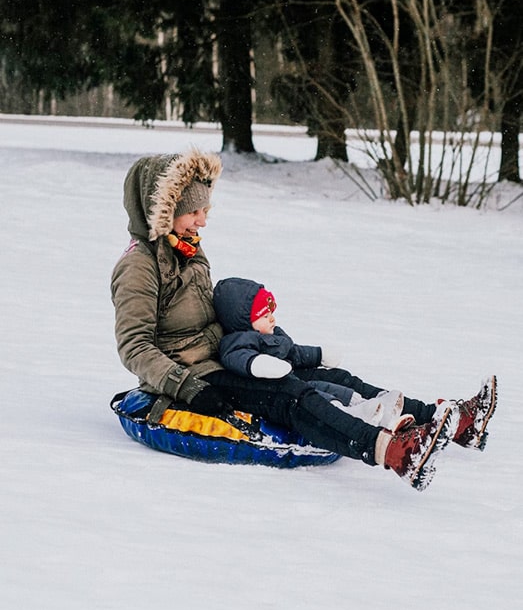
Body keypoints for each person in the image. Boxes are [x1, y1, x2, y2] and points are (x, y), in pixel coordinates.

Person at [110, 149, 497, 491]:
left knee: (334, 378)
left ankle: (449, 422)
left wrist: (256, 332)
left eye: (205, 211)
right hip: (194, 375)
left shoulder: (190, 251)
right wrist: (188, 388)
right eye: (194, 212)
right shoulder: (139, 267)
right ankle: (392, 452)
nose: (203, 221)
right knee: (291, 395)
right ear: (164, 210)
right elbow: (135, 346)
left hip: (228, 356)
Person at [213, 276, 414, 432]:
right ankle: (350, 415)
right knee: (317, 393)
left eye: (272, 313)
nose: (272, 319)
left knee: (333, 384)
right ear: (244, 321)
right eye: (265, 316)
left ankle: (375, 409)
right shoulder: (238, 340)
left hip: (291, 379)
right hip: (276, 389)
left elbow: (295, 352)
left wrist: (319, 355)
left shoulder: (275, 334)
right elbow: (236, 358)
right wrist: (258, 364)